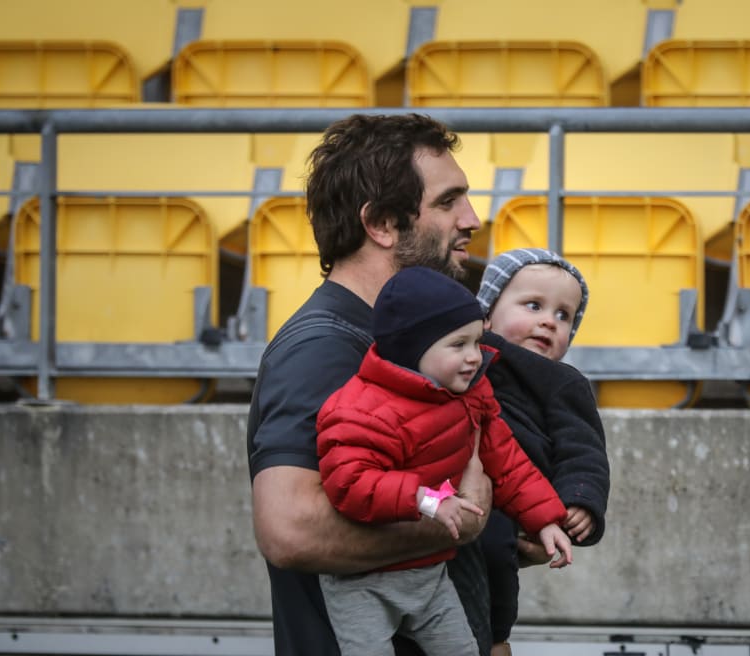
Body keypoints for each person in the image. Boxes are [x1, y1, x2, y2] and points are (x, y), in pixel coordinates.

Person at [246, 113, 496, 655]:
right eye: (448, 202)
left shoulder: (412, 342)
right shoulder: (325, 348)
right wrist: (462, 518)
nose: (472, 219)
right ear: (382, 223)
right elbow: (290, 528)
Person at [316, 266, 573, 655]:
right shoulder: (360, 409)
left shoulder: (470, 394)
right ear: (412, 347)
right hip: (361, 584)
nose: (474, 357)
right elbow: (349, 484)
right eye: (458, 345)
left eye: (477, 341)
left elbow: (506, 460)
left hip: (429, 574)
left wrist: (546, 519)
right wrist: (427, 499)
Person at [475, 248, 611, 655]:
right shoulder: (464, 355)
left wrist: (580, 498)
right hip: (458, 485)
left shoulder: (562, 381)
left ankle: (496, 636)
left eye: (564, 315)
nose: (549, 321)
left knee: (496, 551)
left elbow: (582, 450)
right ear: (487, 313)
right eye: (533, 305)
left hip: (516, 498)